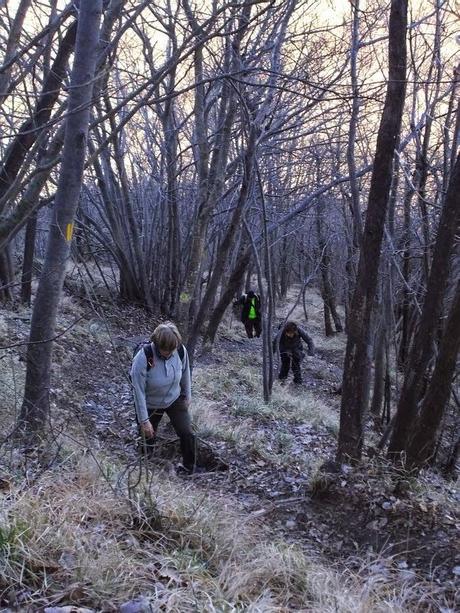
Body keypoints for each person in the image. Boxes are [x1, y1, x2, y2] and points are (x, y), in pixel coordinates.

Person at [130, 322, 202, 474]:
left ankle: (190, 467)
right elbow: (138, 392)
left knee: (187, 433)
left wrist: (187, 395)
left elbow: (185, 373)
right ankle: (146, 472)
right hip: (150, 403)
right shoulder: (143, 357)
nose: (169, 353)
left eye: (172, 349)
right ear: (157, 344)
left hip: (173, 399)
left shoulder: (180, 351)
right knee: (147, 438)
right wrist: (144, 421)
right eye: (165, 350)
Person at [273, 320, 314, 385]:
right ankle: (282, 379)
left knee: (296, 364)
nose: (291, 335)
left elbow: (309, 340)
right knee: (285, 364)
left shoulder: (299, 330)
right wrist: (272, 352)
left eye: (292, 333)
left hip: (296, 348)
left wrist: (311, 352)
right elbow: (274, 342)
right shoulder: (280, 333)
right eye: (289, 333)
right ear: (285, 332)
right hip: (284, 348)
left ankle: (298, 381)